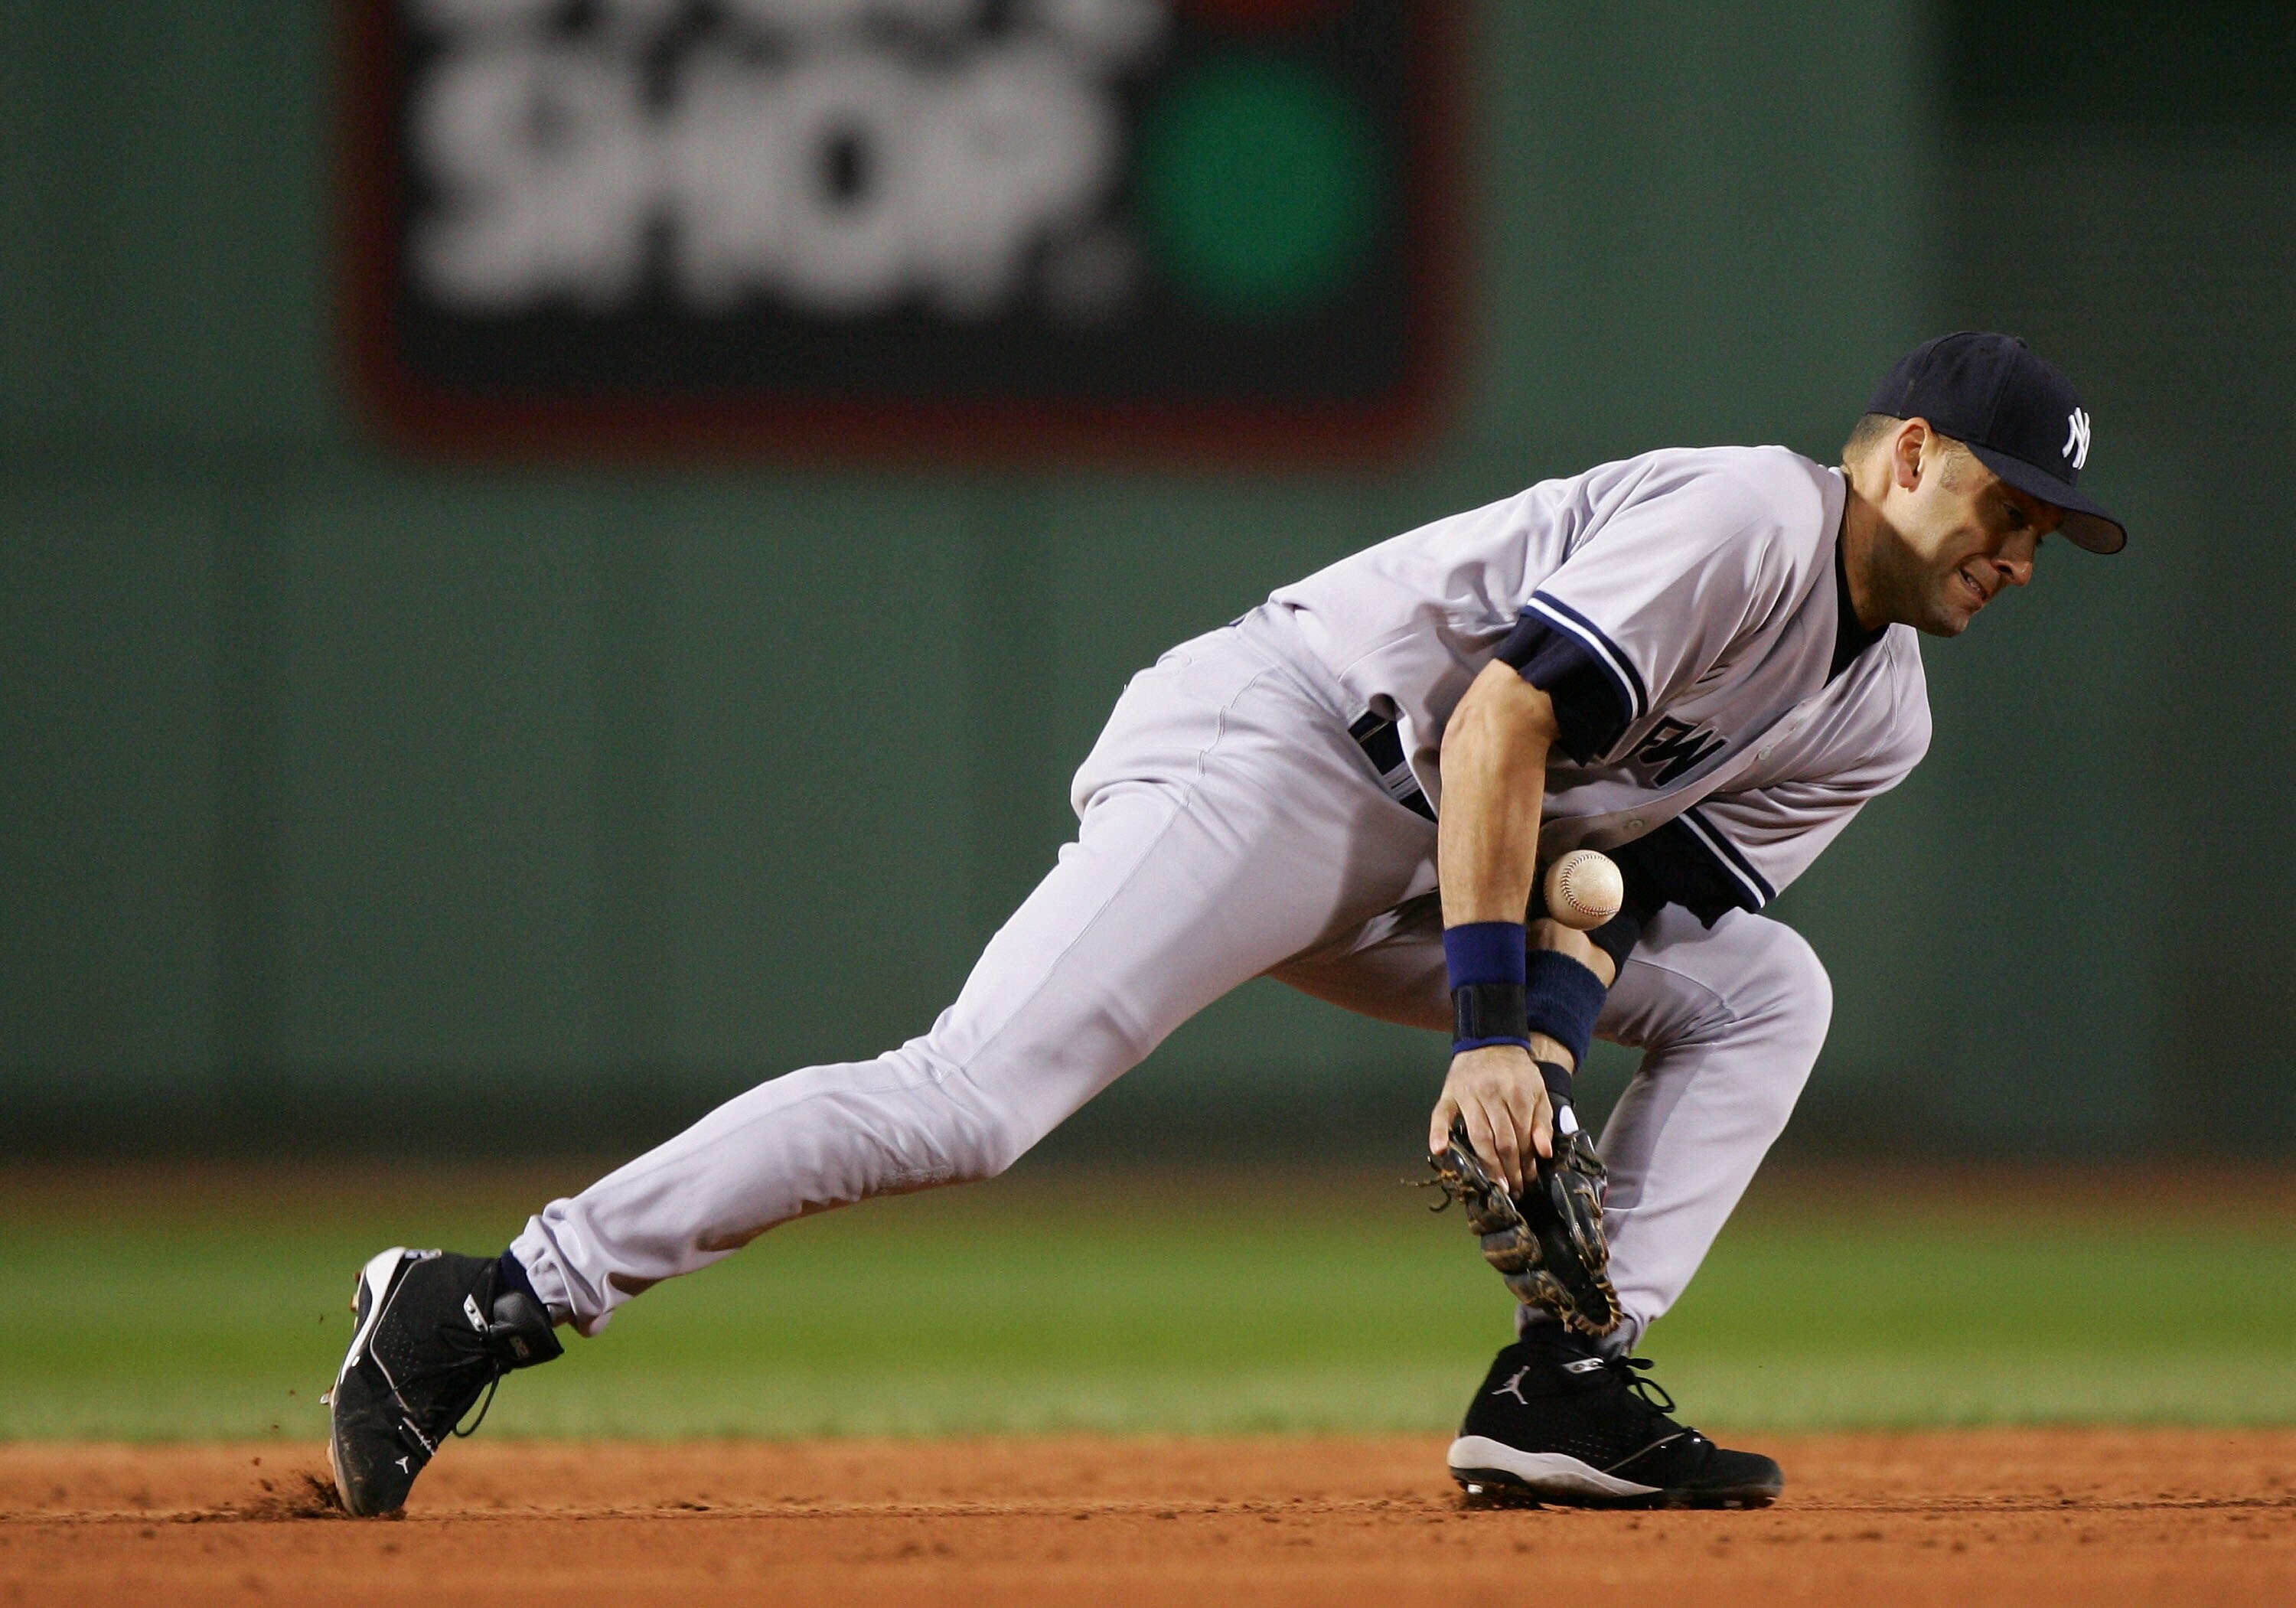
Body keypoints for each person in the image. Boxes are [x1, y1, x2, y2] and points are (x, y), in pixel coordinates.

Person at [323, 331, 2123, 1515]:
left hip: (1439, 869)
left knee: (1766, 991)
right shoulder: (1747, 516)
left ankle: (1564, 1375)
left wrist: (1540, 1066)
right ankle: (482, 1298)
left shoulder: (1882, 711)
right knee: (969, 1102)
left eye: (2050, 532)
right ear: (1898, 456)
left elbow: (1622, 891)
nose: (2021, 552)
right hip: (1278, 753)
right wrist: (1493, 1035)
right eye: (2004, 501)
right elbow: (1505, 719)